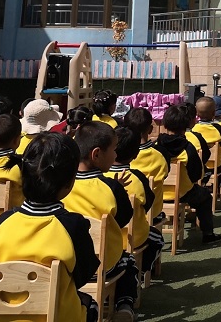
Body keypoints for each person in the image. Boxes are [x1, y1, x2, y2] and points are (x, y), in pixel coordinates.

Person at [0, 132, 100, 322]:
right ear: (70, 182)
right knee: (90, 305)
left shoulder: (3, 221)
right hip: (53, 317)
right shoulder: (72, 226)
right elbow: (84, 275)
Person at [64, 122, 138, 321]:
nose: (116, 155)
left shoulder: (63, 184)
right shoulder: (110, 187)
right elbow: (123, 218)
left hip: (67, 265)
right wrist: (118, 188)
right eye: (113, 149)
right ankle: (124, 305)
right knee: (128, 261)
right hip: (102, 265)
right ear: (96, 154)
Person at [157, 105, 221, 245]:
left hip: (158, 192)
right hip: (182, 192)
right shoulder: (187, 148)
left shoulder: (157, 145)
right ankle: (208, 234)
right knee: (205, 197)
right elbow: (196, 174)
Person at [110, 126, 163, 279]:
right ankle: (141, 272)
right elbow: (148, 203)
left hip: (104, 240)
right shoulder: (137, 178)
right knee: (157, 239)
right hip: (133, 236)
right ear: (135, 154)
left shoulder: (100, 178)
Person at [125, 107, 170, 186]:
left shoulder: (122, 153)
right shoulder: (162, 153)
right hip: (155, 194)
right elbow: (165, 175)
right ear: (150, 129)